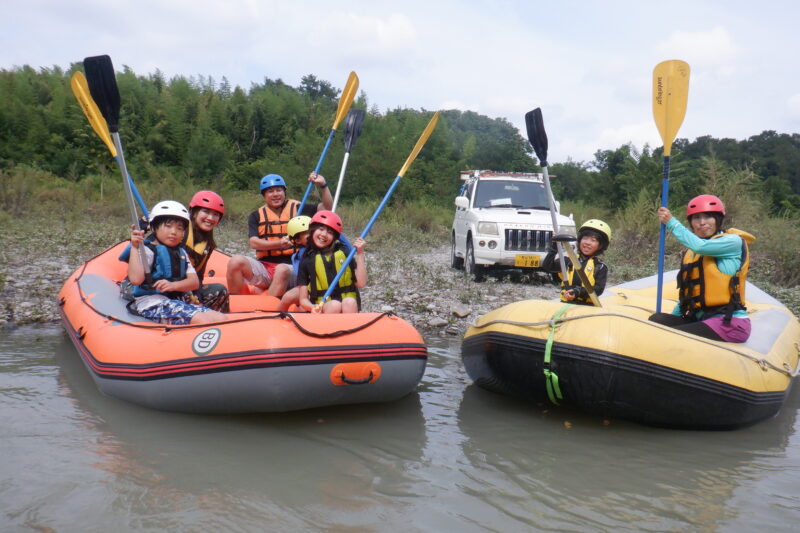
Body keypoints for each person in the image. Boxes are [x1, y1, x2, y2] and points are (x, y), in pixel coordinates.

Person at [649, 194, 755, 343]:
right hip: (700, 319)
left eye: (708, 217)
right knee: (657, 319)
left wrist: (671, 223)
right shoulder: (692, 253)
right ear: (691, 223)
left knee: (670, 338)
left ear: (718, 219)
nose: (702, 222)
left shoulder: (732, 241)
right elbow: (689, 294)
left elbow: (700, 246)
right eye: (696, 218)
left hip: (728, 322)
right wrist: (675, 317)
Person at [226, 172, 332, 297]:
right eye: (270, 191)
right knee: (235, 261)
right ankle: (237, 302)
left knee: (282, 269)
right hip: (265, 267)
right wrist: (279, 244)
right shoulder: (256, 215)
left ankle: (266, 308)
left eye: (279, 190)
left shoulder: (299, 208)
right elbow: (254, 243)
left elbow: (326, 208)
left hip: (294, 269)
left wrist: (323, 185)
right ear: (264, 195)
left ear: (284, 192)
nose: (275, 194)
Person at [120, 200, 227, 325]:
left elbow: (194, 282)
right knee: (201, 320)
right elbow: (136, 280)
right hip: (151, 303)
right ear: (153, 227)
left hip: (174, 300)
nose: (174, 232)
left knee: (220, 318)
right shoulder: (147, 251)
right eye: (168, 226)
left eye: (179, 228)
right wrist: (134, 247)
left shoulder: (181, 253)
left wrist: (173, 286)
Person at [297, 211, 366, 313]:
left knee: (350, 302)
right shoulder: (307, 259)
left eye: (330, 232)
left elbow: (361, 283)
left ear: (334, 237)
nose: (324, 234)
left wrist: (360, 253)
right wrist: (312, 307)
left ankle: (349, 328)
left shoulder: (344, 252)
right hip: (324, 308)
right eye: (320, 229)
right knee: (334, 305)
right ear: (312, 231)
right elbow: (303, 299)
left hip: (348, 307)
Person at [542, 219, 610, 305]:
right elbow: (547, 266)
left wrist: (578, 292)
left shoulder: (600, 267)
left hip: (586, 307)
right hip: (566, 304)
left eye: (593, 240)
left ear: (600, 245)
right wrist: (554, 247)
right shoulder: (569, 261)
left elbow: (598, 290)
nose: (587, 243)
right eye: (585, 238)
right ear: (580, 240)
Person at [182, 190, 228, 311]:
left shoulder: (208, 244)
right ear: (194, 212)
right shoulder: (179, 231)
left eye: (216, 215)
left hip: (187, 287)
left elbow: (199, 275)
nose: (210, 218)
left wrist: (197, 296)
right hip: (166, 286)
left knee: (220, 290)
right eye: (206, 212)